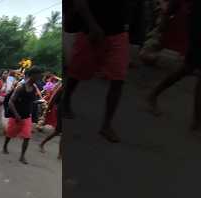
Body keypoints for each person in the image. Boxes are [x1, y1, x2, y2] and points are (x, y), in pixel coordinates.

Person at [62, 0, 130, 143]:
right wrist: (92, 26)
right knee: (77, 72)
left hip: (118, 33)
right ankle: (66, 101)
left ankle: (106, 125)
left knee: (118, 79)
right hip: (90, 32)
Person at [146, 0, 200, 131]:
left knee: (187, 70)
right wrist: (165, 20)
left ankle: (196, 120)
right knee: (187, 69)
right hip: (197, 29)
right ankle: (196, 120)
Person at [3, 66, 43, 164]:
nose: (39, 77)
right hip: (16, 116)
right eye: (37, 75)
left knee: (27, 136)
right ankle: (5, 146)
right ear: (31, 75)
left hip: (26, 117)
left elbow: (31, 101)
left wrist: (38, 102)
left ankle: (22, 156)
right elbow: (11, 102)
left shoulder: (34, 88)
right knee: (10, 134)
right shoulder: (21, 87)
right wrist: (16, 115)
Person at [40, 83, 63, 159]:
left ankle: (43, 143)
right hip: (60, 111)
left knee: (58, 132)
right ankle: (60, 154)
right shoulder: (62, 87)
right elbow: (54, 98)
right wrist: (48, 110)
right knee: (59, 132)